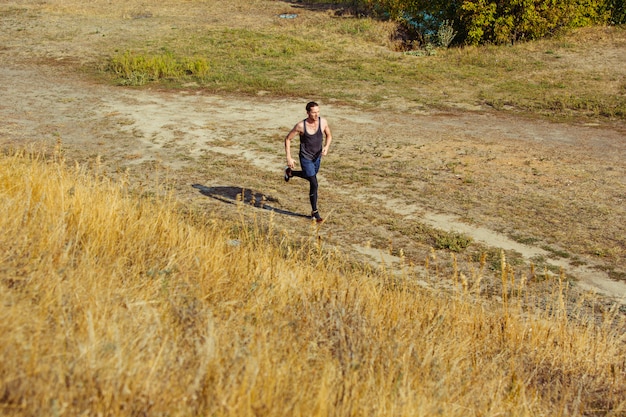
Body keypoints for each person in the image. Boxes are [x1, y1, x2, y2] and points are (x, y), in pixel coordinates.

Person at [284, 101, 332, 223]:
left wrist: (326, 146)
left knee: (310, 176)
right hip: (306, 157)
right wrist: (289, 157)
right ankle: (314, 212)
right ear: (307, 112)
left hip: (317, 157)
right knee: (314, 183)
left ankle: (290, 173)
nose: (316, 115)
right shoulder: (301, 126)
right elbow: (288, 139)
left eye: (318, 112)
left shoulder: (323, 122)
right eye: (313, 112)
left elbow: (329, 136)